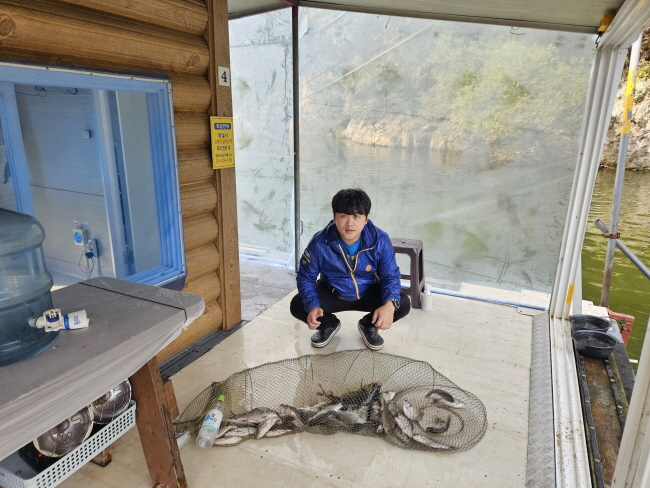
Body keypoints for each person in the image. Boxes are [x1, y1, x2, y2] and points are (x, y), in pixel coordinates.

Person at [290, 188, 410, 350]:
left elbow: (390, 276)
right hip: (333, 293)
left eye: (356, 216)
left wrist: (389, 304)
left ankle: (368, 325)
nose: (350, 223)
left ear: (366, 218)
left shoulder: (380, 239)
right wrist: (312, 306)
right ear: (334, 217)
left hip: (368, 292)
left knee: (401, 303)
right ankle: (328, 324)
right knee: (298, 304)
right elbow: (306, 276)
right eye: (343, 216)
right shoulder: (319, 242)